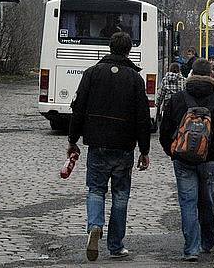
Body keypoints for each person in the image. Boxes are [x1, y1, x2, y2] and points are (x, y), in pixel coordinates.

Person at [67, 32, 150, 261]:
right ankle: (115, 245)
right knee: (120, 195)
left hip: (97, 143)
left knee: (96, 189)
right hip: (124, 146)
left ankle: (95, 225)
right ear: (128, 50)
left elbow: (79, 108)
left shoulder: (92, 73)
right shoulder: (135, 79)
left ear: (109, 48)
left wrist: (72, 140)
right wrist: (144, 150)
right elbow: (142, 117)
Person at [159, 58, 214, 262]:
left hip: (183, 159)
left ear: (191, 74)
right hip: (211, 161)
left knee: (187, 202)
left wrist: (172, 151)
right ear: (211, 76)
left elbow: (165, 130)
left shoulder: (178, 99)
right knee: (207, 200)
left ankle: (191, 249)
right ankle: (207, 242)